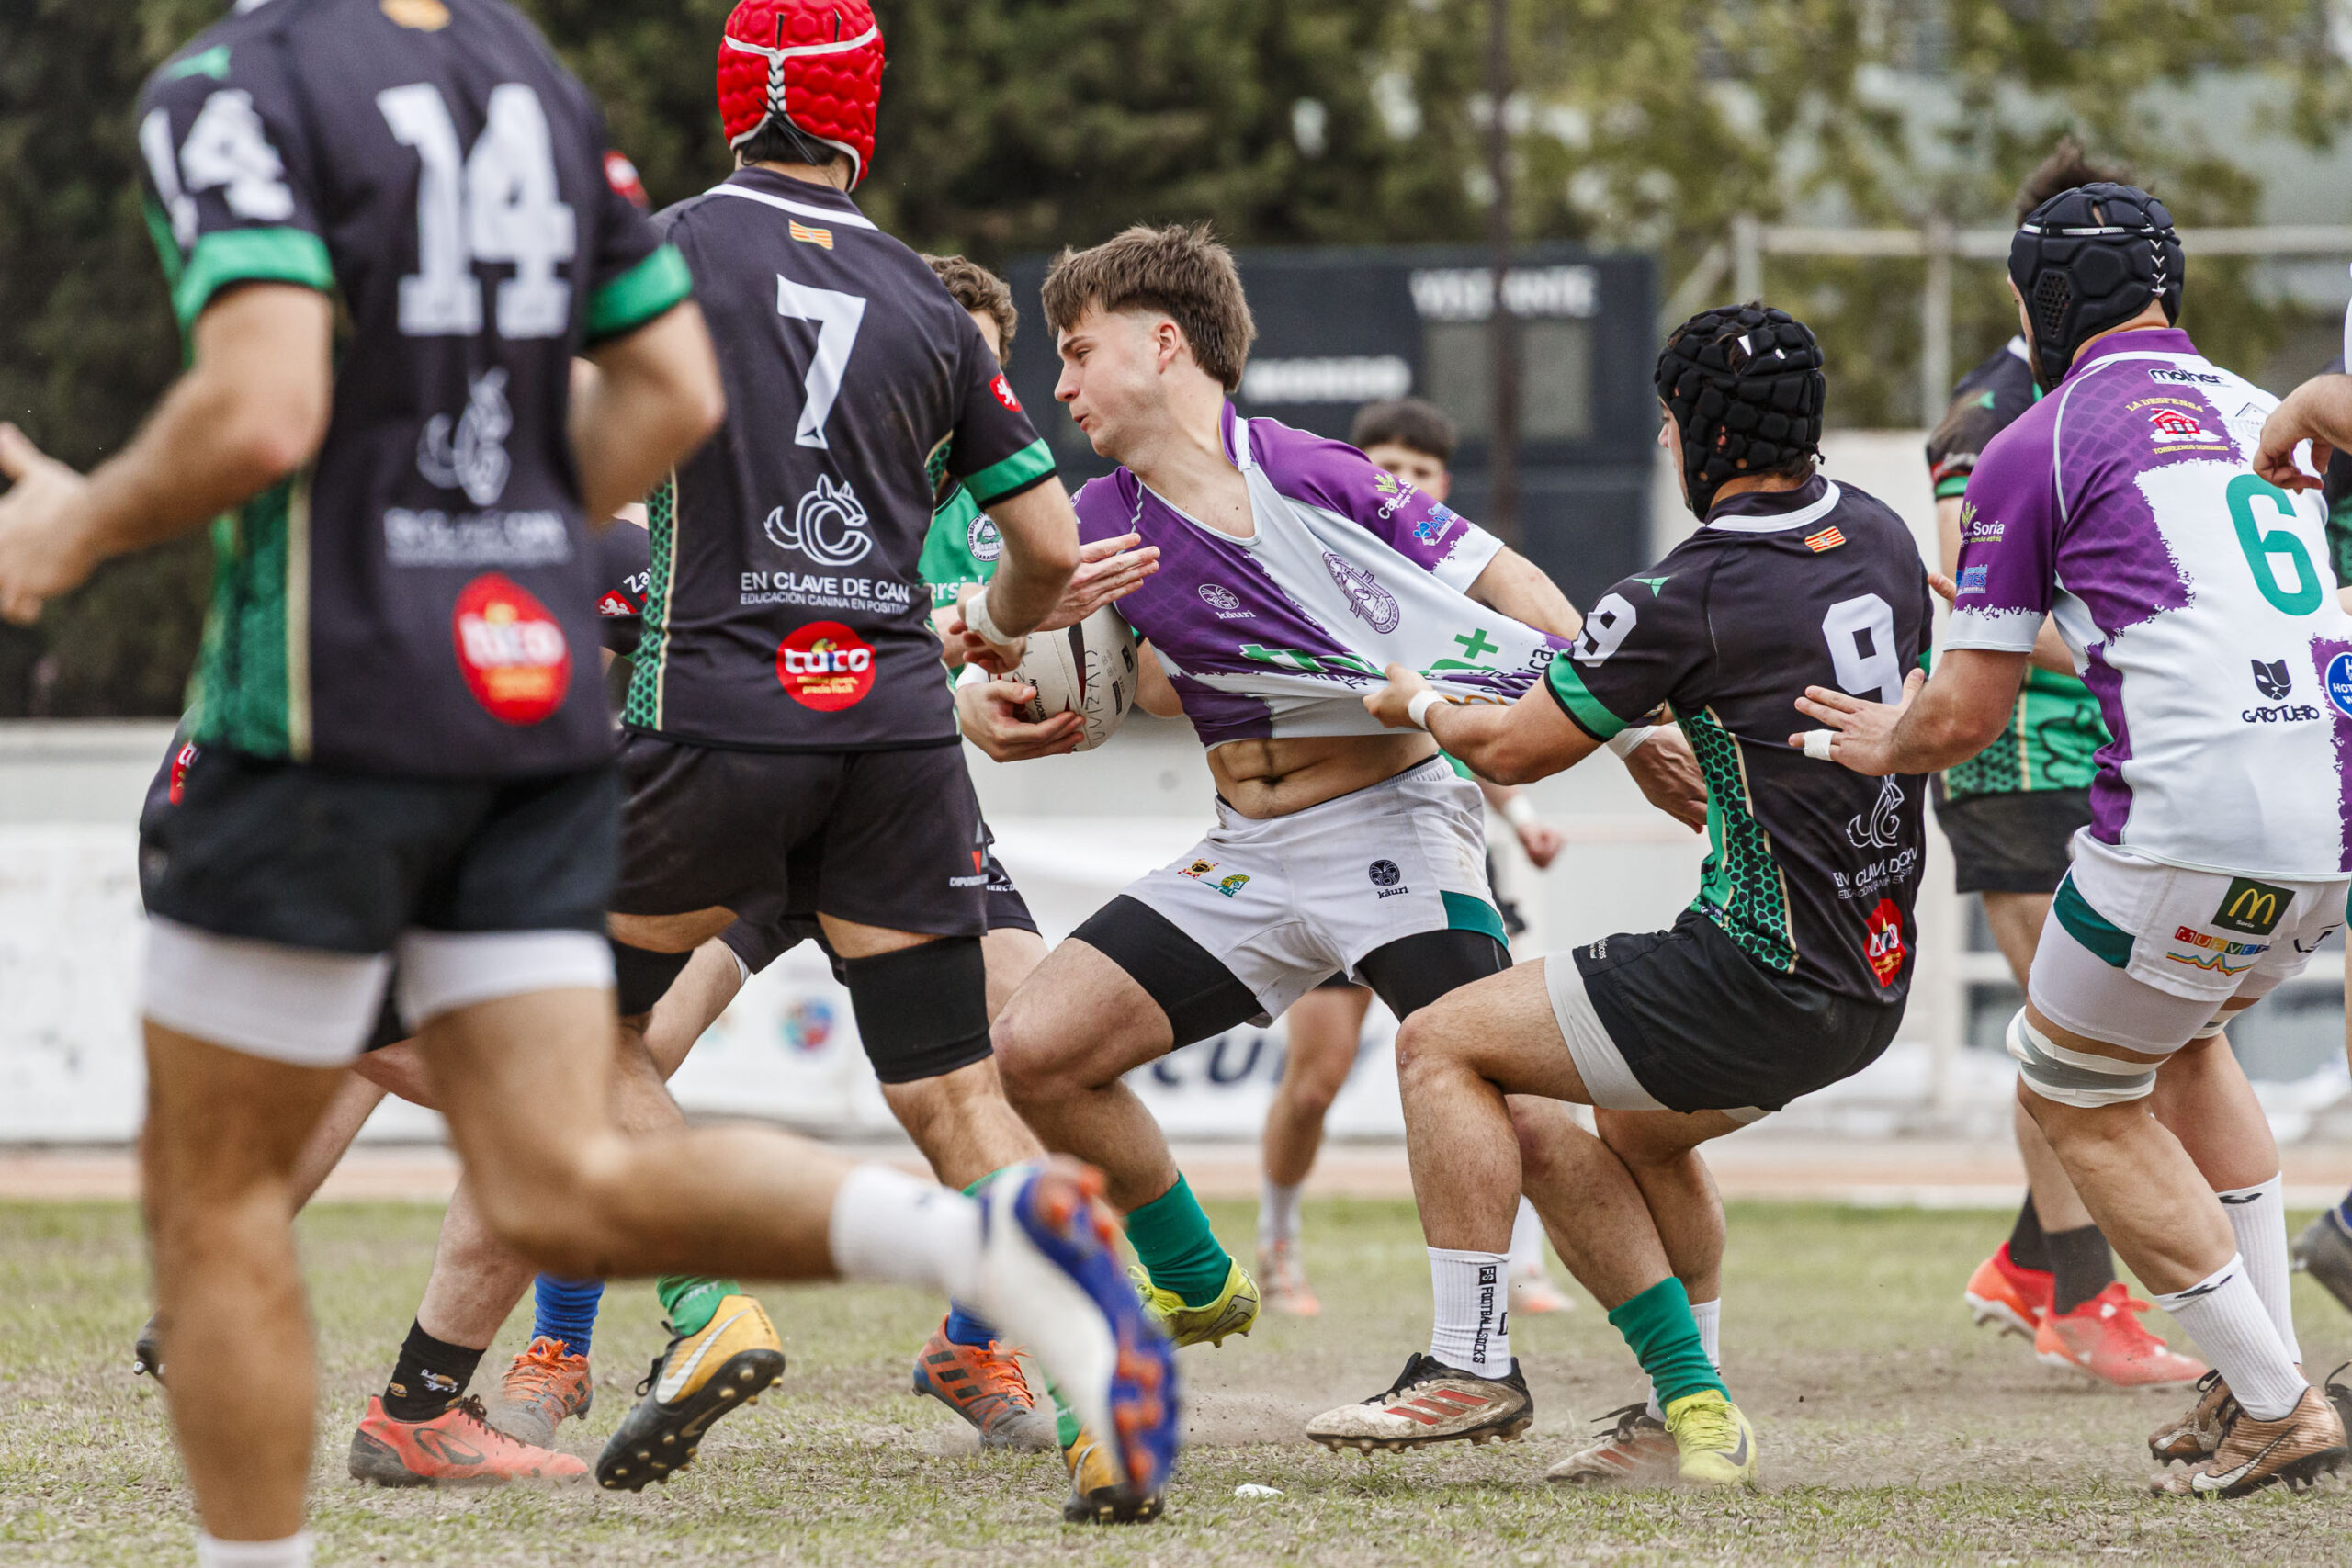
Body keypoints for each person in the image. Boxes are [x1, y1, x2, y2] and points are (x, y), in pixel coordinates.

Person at [0, 4, 1177, 1562]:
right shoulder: (547, 97)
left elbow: (277, 398)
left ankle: (547, 1377)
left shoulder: (241, 79)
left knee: (274, 1178)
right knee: (664, 1135)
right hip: (744, 721)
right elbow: (707, 417)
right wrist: (523, 540)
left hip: (445, 700)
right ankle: (987, 1248)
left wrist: (78, 528)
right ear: (859, 112)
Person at [971, 223, 1709, 1368]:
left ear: (1163, 344)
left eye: (1077, 352)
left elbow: (1504, 589)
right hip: (1247, 855)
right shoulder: (1097, 520)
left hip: (1392, 835)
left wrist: (1633, 725)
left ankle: (1685, 1381)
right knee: (1035, 1048)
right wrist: (999, 704)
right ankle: (1196, 1276)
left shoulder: (1313, 476)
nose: (1058, 384)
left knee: (1515, 1105)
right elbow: (1108, 676)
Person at [1304, 305, 1925, 1493]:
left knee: (1443, 1043)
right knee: (1641, 1128)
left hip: (1758, 965)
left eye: (1667, 421)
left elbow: (1517, 750)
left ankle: (1474, 1361)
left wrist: (1417, 703)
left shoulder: (1688, 586)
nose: (1658, 440)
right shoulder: (1882, 537)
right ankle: (1688, 1412)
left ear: (1699, 431)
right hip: (1872, 971)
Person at [1808, 183, 2352, 1498]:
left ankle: (2279, 1402)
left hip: (2193, 819)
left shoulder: (2032, 441)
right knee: (2188, 1043)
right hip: (2332, 814)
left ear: (2032, 305)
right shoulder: (2247, 399)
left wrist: (1886, 739)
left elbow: (1968, 711)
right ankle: (2250, 1376)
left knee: (2070, 1089)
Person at [1927, 141, 2199, 1389]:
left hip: (2113, 757)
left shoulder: (2137, 398)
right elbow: (1974, 590)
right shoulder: (1994, 410)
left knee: (2109, 1038)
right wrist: (2134, 643)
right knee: (2072, 1038)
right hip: (2020, 755)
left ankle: (2035, 1263)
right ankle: (2080, 1295)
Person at [1256, 397, 1575, 1319]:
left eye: (1420, 470)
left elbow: (1495, 713)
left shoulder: (1462, 588)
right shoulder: (1315, 564)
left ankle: (1519, 1265)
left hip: (1429, 847)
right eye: (1382, 463)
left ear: (1441, 489)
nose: (1399, 481)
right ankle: (1277, 1245)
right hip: (1318, 845)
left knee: (1495, 1067)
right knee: (1313, 1081)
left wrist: (1523, 819)